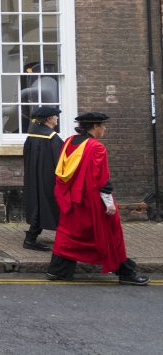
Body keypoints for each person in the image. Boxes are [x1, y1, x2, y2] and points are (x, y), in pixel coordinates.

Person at [46, 112, 149, 285]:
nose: (104, 129)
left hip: (71, 199)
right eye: (102, 126)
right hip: (92, 200)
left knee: (70, 233)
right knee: (110, 233)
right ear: (94, 127)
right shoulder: (96, 147)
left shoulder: (70, 141)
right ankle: (125, 272)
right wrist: (108, 202)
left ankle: (58, 270)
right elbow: (101, 179)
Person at [22, 105, 63, 251]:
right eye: (55, 116)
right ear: (49, 119)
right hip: (48, 179)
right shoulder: (52, 138)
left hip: (33, 178)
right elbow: (61, 162)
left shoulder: (32, 135)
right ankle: (66, 239)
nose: (57, 118)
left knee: (39, 205)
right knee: (51, 205)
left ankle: (31, 238)